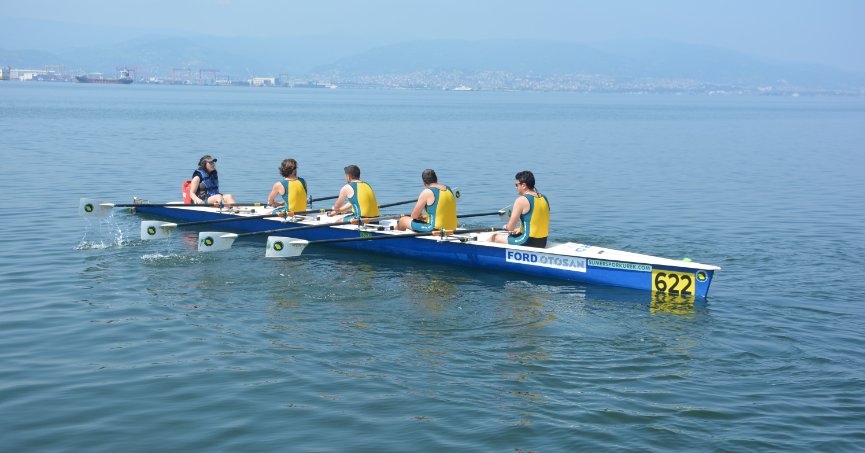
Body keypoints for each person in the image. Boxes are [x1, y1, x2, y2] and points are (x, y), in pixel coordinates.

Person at [489, 170, 550, 248]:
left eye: (516, 185)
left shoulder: (521, 200)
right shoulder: (544, 198)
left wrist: (505, 226)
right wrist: (520, 229)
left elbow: (510, 227)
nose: (515, 187)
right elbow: (536, 221)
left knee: (495, 237)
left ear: (524, 185)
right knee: (516, 232)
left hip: (528, 241)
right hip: (542, 242)